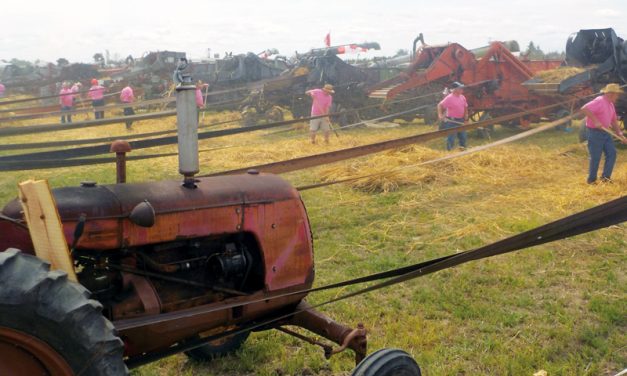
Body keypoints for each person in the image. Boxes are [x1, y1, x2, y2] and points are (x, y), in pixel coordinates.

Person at [580, 83, 627, 184]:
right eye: (617, 94)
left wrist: (620, 134)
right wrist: (595, 121)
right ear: (611, 94)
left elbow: (614, 120)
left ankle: (605, 178)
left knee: (612, 154)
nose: (618, 96)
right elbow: (584, 108)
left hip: (606, 133)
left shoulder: (610, 104)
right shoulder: (599, 101)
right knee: (596, 157)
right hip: (595, 133)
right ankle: (591, 180)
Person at [437, 81, 469, 151]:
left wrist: (466, 117)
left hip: (461, 120)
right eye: (460, 88)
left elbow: (465, 107)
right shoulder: (449, 98)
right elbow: (440, 105)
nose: (462, 89)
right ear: (455, 89)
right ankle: (449, 153)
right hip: (452, 121)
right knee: (451, 138)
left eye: (462, 88)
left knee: (463, 137)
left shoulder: (462, 97)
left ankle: (463, 151)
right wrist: (440, 115)